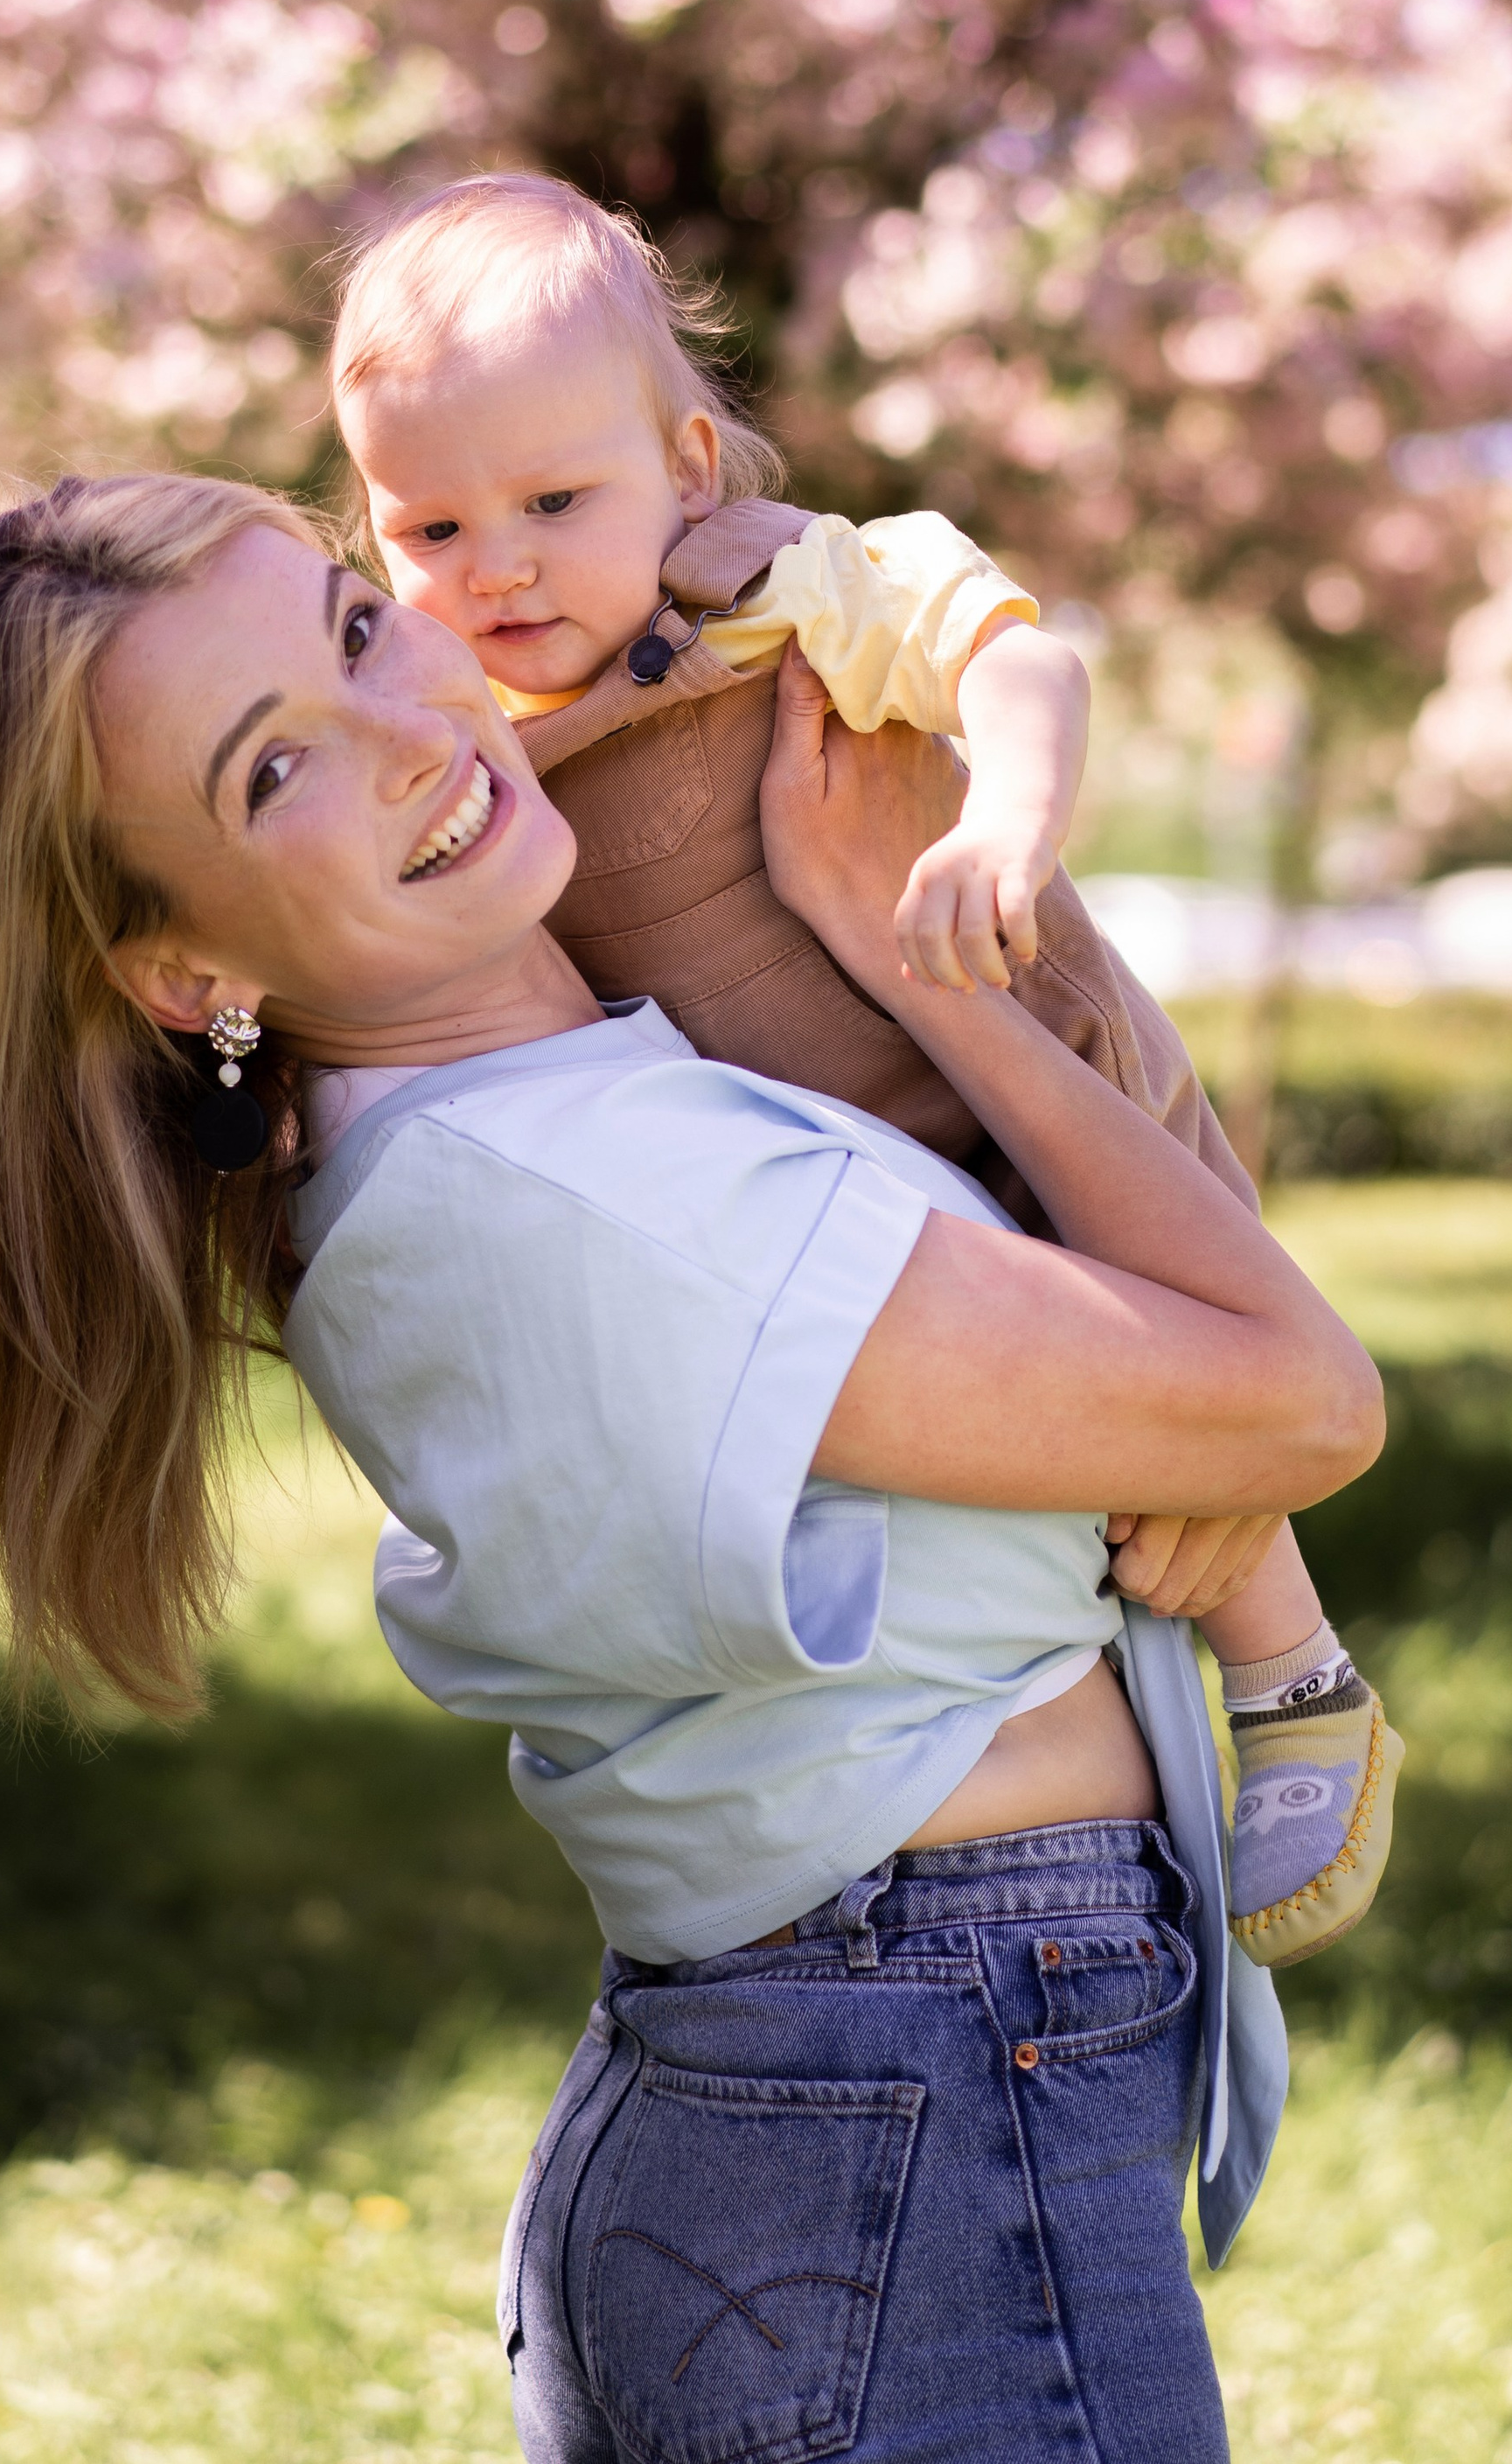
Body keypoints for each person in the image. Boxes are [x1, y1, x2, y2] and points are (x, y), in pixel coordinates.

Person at [0, 473, 1385, 2464]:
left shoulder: (484, 1145)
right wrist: (908, 970)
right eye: (274, 768)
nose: (416, 728)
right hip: (917, 2097)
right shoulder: (601, 1204)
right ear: (185, 965)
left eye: (358, 629)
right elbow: (1302, 1400)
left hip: (785, 2124)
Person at [329, 172, 1399, 1970]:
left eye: (551, 502)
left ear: (683, 464)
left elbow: (1016, 664)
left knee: (1178, 1381)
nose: (490, 566)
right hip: (831, 1172)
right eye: (422, 526)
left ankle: (1293, 1675)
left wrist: (1001, 820)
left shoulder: (783, 587)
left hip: (994, 1046)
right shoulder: (460, 735)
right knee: (1061, 1422)